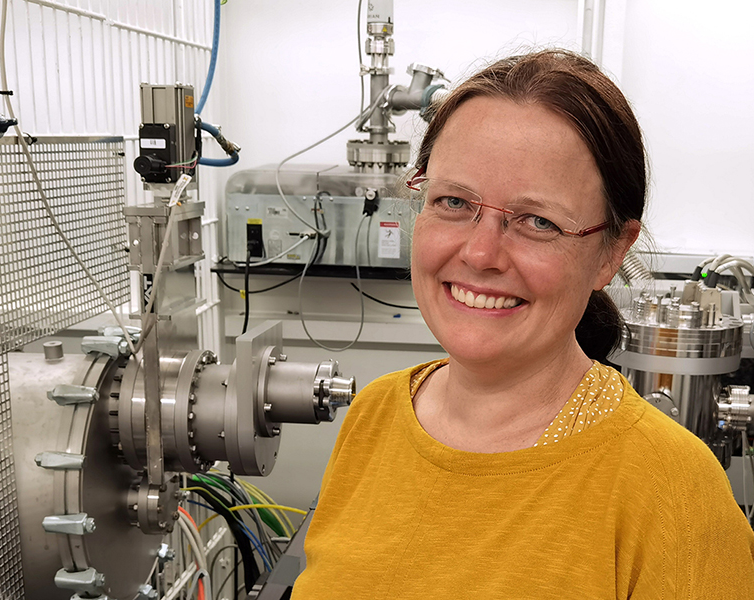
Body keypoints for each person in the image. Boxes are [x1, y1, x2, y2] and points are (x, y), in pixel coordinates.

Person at [291, 49, 754, 598]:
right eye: (454, 201)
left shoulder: (675, 492)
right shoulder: (373, 416)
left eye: (538, 221)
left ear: (611, 253)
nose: (482, 252)